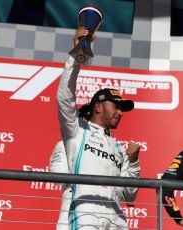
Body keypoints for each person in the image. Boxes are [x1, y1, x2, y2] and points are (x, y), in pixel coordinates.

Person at [56, 27, 141, 229]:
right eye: (116, 106)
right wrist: (77, 54)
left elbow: (130, 196)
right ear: (98, 106)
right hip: (86, 211)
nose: (120, 113)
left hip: (117, 218)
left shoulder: (120, 149)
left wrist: (134, 162)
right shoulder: (77, 131)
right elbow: (64, 97)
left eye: (122, 109)